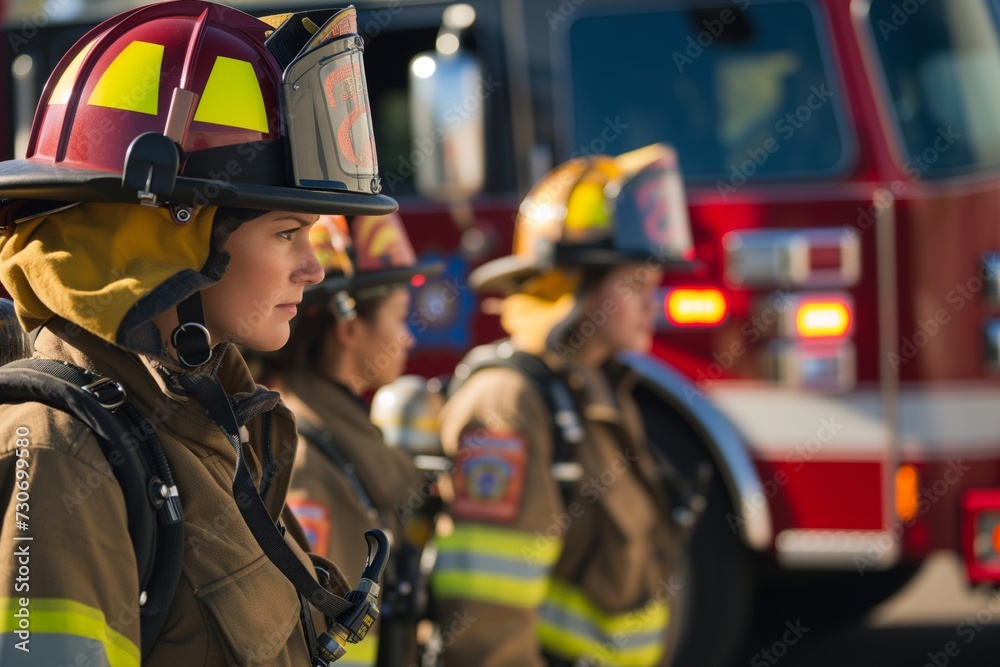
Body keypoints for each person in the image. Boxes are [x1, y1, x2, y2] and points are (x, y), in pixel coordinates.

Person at [0, 2, 397, 665]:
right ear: (171, 238)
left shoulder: (205, 423)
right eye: (287, 232)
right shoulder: (58, 452)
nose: (314, 268)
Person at [430, 144, 694, 666]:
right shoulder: (511, 404)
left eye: (655, 284)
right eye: (636, 283)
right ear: (575, 286)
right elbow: (488, 621)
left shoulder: (600, 391)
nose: (652, 303)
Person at [248, 211, 443, 667]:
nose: (408, 338)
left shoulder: (332, 438)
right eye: (399, 317)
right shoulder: (305, 462)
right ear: (349, 327)